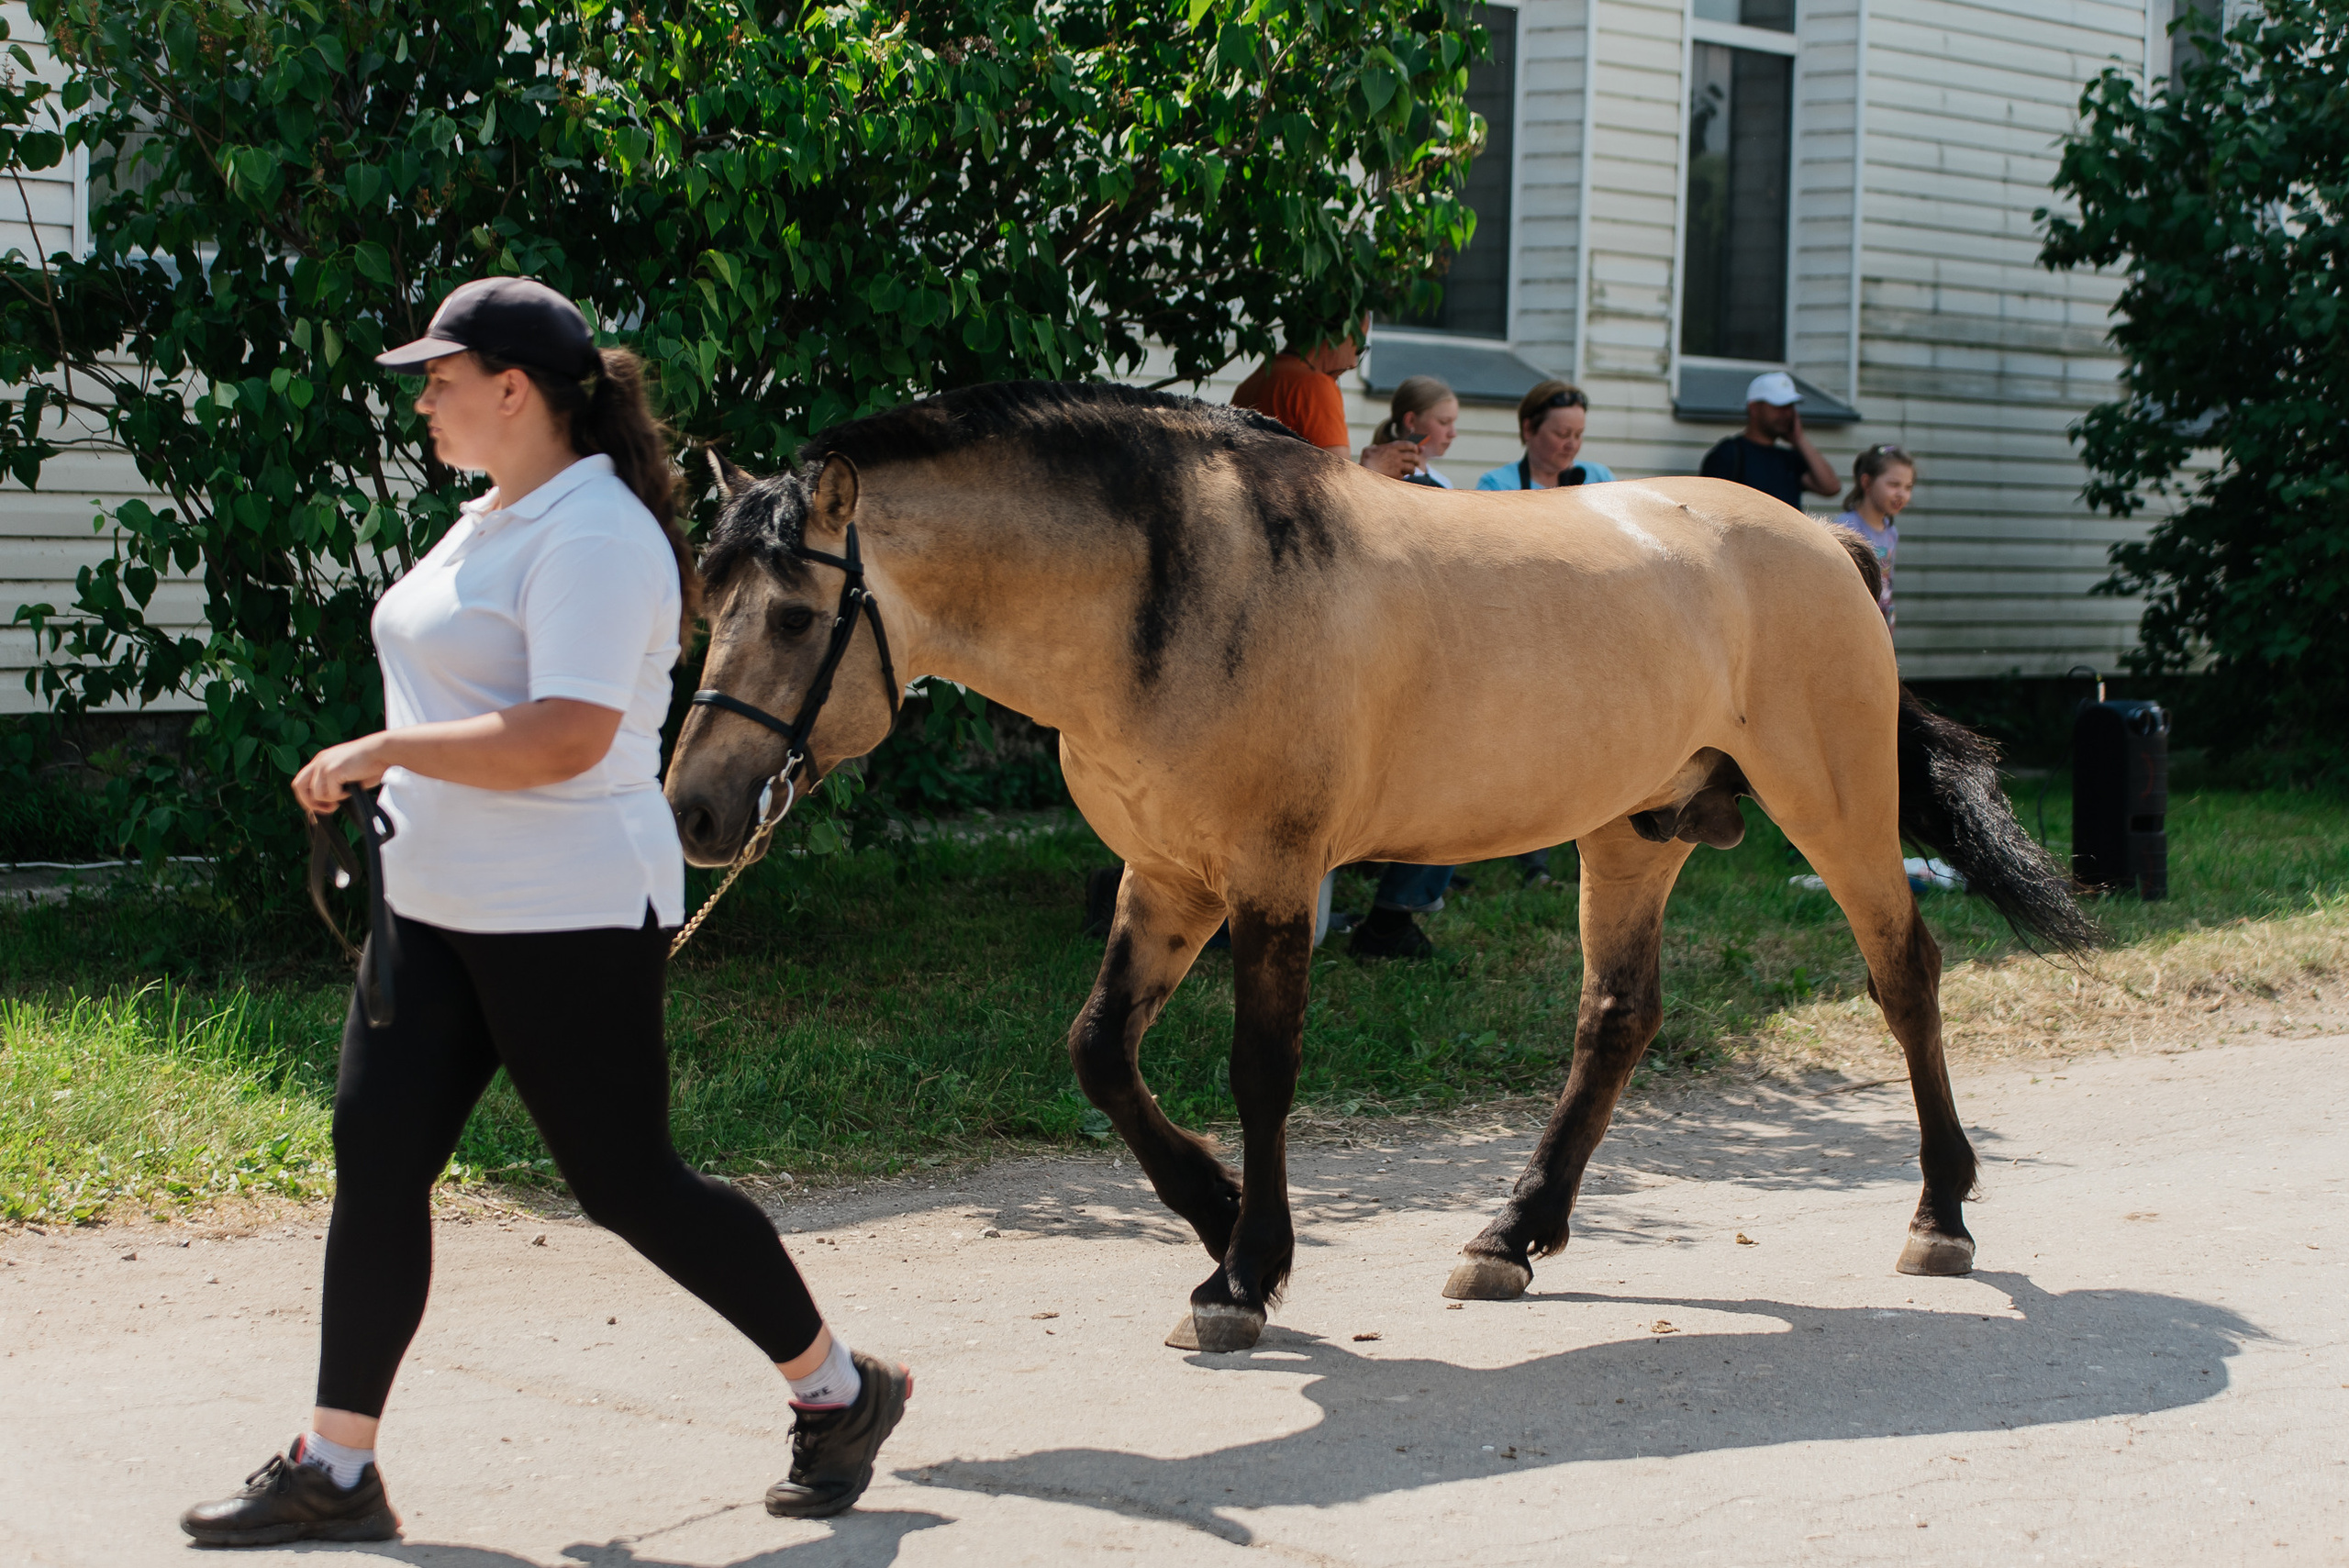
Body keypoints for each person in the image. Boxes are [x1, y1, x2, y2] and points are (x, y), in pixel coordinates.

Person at [177, 278, 909, 1549]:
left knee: (629, 1185)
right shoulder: (492, 518)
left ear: (514, 389)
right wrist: (395, 773)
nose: (424, 401)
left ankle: (840, 1390)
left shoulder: (598, 535)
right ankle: (335, 1467)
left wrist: (385, 748)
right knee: (380, 1160)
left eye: (441, 379)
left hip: (564, 909)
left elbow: (569, 735)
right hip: (440, 901)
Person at [1231, 317, 1419, 478]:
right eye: (1358, 347)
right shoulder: (1313, 384)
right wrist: (1374, 469)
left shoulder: (1256, 379)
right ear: (1337, 335)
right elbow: (1340, 489)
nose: (1354, 363)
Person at [1698, 370, 1839, 510]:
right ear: (1754, 408)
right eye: (1779, 406)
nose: (1787, 414)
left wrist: (1799, 439)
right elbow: (1709, 508)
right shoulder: (1729, 454)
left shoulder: (1788, 458)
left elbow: (1830, 487)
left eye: (1790, 407)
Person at [1831, 442, 1914, 628]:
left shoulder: (1891, 532)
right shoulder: (1846, 527)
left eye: (1908, 487)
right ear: (1867, 482)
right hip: (1853, 621)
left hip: (1882, 618)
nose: (1903, 494)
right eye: (1894, 484)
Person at [1475, 380, 1615, 490]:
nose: (1572, 445)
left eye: (1578, 435)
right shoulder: (1496, 487)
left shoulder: (1600, 479)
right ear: (1528, 429)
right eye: (1562, 434)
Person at [1373, 374, 1461, 487]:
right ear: (1411, 421)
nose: (1453, 434)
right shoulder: (1381, 480)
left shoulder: (1444, 484)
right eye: (1443, 422)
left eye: (1453, 422)